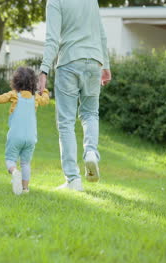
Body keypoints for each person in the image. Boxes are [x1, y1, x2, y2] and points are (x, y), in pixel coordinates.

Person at [38, 0, 112, 191]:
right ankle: (91, 153)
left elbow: (52, 38)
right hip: (95, 61)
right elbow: (101, 34)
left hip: (69, 61)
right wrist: (106, 66)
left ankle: (73, 179)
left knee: (66, 122)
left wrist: (44, 70)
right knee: (90, 114)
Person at [0, 67, 50, 195]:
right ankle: (25, 189)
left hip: (15, 136)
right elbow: (46, 100)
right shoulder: (36, 98)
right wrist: (44, 90)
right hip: (31, 138)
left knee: (10, 159)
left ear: (16, 81)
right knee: (25, 163)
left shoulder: (14, 95)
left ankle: (15, 172)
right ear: (33, 82)